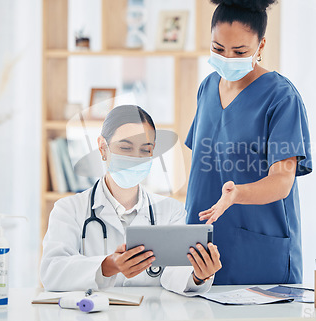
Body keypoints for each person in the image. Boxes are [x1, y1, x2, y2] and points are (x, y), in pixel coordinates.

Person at [185, 0, 312, 285]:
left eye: (240, 51)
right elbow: (201, 170)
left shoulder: (281, 98)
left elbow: (282, 181)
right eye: (218, 49)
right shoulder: (207, 88)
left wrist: (236, 193)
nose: (227, 58)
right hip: (202, 252)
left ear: (261, 45)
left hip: (259, 252)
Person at [41, 105, 221, 295]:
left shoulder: (170, 210)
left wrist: (199, 275)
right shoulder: (69, 209)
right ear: (103, 148)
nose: (136, 158)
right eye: (125, 147)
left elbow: (175, 272)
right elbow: (52, 271)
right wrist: (107, 266)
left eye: (145, 150)